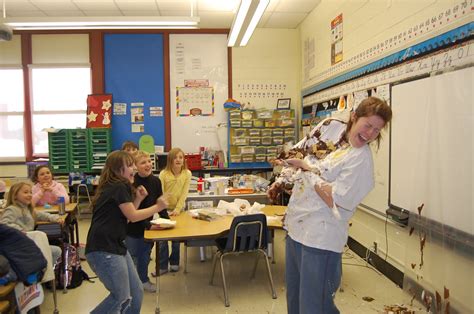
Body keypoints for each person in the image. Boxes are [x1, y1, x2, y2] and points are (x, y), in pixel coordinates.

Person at [268, 97, 392, 314]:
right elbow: (302, 152)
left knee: (315, 306)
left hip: (320, 239)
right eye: (368, 125)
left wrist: (307, 170)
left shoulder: (360, 160)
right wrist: (283, 179)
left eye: (377, 130)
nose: (370, 134)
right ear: (354, 117)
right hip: (297, 228)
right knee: (295, 300)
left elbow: (336, 200)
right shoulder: (333, 134)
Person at [85, 150, 168, 313]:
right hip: (103, 249)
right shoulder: (118, 186)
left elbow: (127, 218)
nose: (135, 169)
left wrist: (137, 199)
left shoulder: (117, 186)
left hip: (115, 246)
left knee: (136, 292)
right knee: (121, 297)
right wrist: (158, 206)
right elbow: (133, 216)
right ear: (118, 170)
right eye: (130, 165)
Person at [125, 150, 169, 293]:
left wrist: (167, 221)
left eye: (149, 161)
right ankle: (132, 284)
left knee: (144, 255)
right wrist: (148, 225)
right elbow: (131, 211)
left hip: (149, 226)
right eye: (143, 162)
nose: (148, 164)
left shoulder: (156, 181)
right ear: (135, 166)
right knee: (132, 257)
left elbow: (159, 202)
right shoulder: (132, 182)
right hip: (132, 227)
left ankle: (143, 281)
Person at [0, 181, 64, 264]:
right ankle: (47, 275)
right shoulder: (12, 209)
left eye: (31, 192)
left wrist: (56, 218)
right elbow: (4, 224)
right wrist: (21, 230)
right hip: (18, 243)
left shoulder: (29, 209)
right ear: (15, 195)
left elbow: (43, 215)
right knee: (40, 235)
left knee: (56, 251)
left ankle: (45, 273)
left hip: (28, 242)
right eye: (26, 192)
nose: (30, 195)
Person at [157, 147, 191, 274]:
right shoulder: (163, 174)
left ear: (183, 160)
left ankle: (175, 262)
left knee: (176, 239)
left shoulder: (187, 174)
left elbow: (184, 194)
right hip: (164, 210)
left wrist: (177, 209)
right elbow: (160, 193)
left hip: (178, 210)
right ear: (170, 160)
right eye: (175, 157)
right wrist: (164, 210)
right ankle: (162, 266)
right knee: (163, 240)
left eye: (181, 157)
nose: (178, 160)